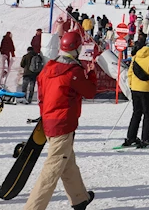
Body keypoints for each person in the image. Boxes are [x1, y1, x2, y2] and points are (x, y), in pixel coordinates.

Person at [25, 29, 96, 210]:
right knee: (52, 169)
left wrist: (45, 117)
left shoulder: (48, 68)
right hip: (63, 123)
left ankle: (79, 198)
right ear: (77, 49)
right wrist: (91, 72)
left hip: (49, 120)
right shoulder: (73, 71)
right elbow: (90, 92)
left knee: (66, 162)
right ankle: (33, 207)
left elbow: (41, 96)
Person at [124, 37, 149, 148]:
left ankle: (131, 137)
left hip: (135, 89)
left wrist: (132, 85)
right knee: (147, 115)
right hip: (146, 90)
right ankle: (145, 139)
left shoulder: (136, 56)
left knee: (136, 113)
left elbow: (130, 73)